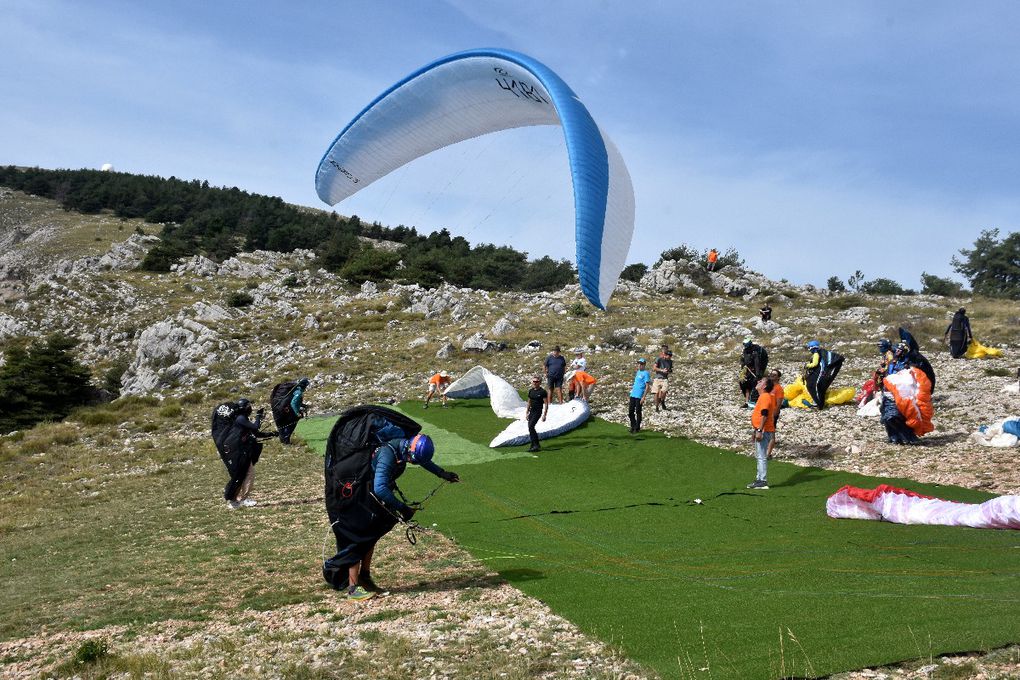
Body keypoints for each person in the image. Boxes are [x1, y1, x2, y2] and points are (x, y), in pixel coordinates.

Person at [344, 432, 460, 600]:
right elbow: (380, 489)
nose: (412, 463)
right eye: (412, 460)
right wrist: (402, 508)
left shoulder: (404, 447)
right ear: (409, 450)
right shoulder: (387, 455)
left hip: (371, 494)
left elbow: (422, 460)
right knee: (358, 536)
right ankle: (353, 589)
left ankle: (365, 577)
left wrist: (441, 473)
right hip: (359, 494)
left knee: (372, 535)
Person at [220, 399, 274, 509]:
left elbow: (256, 433)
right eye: (248, 405)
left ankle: (235, 501)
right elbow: (255, 427)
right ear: (244, 408)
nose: (250, 407)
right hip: (237, 452)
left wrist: (272, 433)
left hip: (238, 451)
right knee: (247, 473)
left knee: (242, 475)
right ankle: (242, 499)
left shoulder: (241, 419)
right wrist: (258, 416)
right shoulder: (240, 419)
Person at [747, 377, 776, 489]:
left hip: (764, 430)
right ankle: (759, 479)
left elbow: (764, 414)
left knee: (761, 456)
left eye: (761, 381)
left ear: (764, 386)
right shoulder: (764, 397)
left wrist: (759, 430)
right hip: (763, 429)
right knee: (760, 455)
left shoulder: (764, 396)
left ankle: (762, 481)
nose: (758, 382)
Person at [803, 340, 844, 409]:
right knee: (820, 388)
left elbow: (815, 364)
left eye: (809, 347)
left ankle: (819, 404)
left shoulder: (816, 354)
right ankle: (820, 403)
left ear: (811, 347)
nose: (808, 349)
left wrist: (807, 365)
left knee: (813, 386)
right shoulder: (820, 352)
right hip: (824, 373)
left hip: (821, 373)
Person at [272, 377, 310, 444]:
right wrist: (297, 413)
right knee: (291, 424)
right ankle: (286, 441)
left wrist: (303, 405)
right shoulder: (299, 392)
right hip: (287, 411)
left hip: (278, 410)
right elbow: (293, 403)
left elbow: (292, 401)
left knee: (281, 426)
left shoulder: (293, 390)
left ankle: (283, 442)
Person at [738, 337, 768, 406]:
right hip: (748, 369)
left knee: (754, 383)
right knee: (744, 383)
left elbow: (757, 363)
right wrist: (743, 371)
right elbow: (743, 361)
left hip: (757, 369)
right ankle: (747, 401)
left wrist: (758, 374)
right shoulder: (745, 351)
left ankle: (755, 401)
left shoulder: (756, 352)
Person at [525, 375, 549, 452]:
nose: (535, 383)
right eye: (534, 381)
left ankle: (535, 445)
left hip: (538, 411)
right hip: (532, 411)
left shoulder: (542, 392)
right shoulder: (531, 391)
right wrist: (527, 412)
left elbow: (546, 404)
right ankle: (534, 444)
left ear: (540, 383)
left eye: (536, 382)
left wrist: (544, 415)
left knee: (531, 426)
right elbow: (529, 402)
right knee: (530, 427)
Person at [628, 358, 652, 434]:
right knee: (630, 411)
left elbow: (647, 386)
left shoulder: (646, 373)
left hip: (639, 395)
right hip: (633, 394)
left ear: (644, 365)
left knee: (638, 411)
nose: (639, 365)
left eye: (641, 364)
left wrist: (643, 397)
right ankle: (633, 425)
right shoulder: (638, 372)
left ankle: (637, 427)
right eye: (638, 364)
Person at [766, 369, 784, 460]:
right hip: (765, 413)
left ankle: (768, 454)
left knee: (771, 433)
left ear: (778, 377)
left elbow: (779, 404)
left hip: (772, 414)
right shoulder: (768, 386)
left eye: (774, 374)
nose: (772, 375)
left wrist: (774, 415)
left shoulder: (779, 388)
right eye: (771, 373)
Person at [652, 345, 673, 412]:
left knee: (664, 391)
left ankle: (662, 401)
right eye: (668, 356)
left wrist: (669, 371)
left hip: (665, 378)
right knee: (656, 393)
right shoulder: (659, 359)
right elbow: (654, 368)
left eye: (670, 356)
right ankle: (657, 406)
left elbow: (671, 369)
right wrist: (662, 370)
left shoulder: (670, 361)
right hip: (657, 378)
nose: (669, 357)